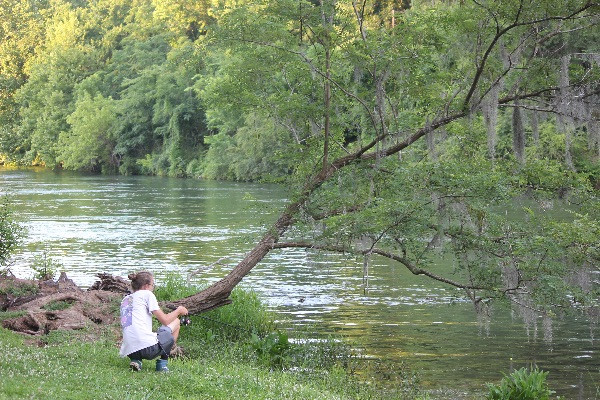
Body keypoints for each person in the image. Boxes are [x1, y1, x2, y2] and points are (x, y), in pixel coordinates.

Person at [119, 271, 188, 372]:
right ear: (146, 286)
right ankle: (162, 364)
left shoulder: (126, 299)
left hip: (129, 350)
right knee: (175, 323)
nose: (153, 288)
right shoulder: (147, 294)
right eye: (153, 285)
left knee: (153, 334)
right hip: (148, 350)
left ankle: (137, 361)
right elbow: (165, 320)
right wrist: (179, 311)